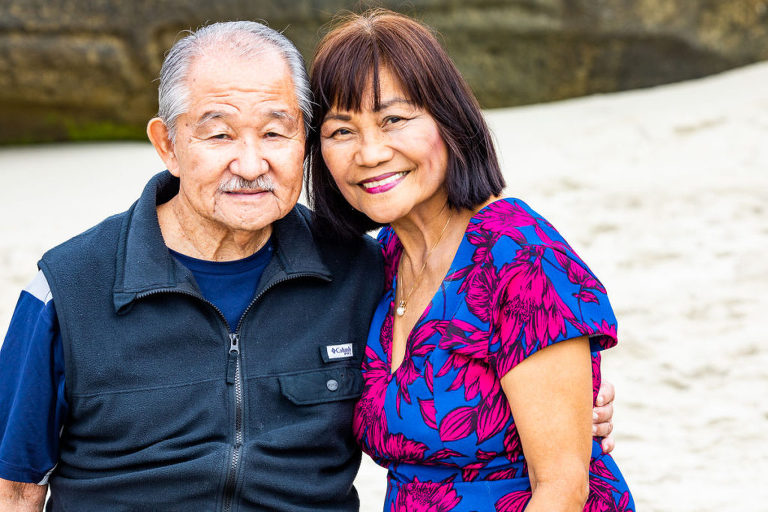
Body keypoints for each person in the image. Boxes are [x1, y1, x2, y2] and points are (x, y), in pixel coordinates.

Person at [0, 18, 616, 512]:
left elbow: (554, 463)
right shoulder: (68, 288)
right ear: (167, 145)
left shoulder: (359, 270)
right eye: (218, 136)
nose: (250, 163)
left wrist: (571, 408)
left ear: (302, 142)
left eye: (276, 132)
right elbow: (14, 487)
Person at [307, 9, 633, 512]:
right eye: (341, 131)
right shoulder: (381, 265)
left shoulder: (518, 255)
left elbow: (564, 491)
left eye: (393, 119)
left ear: (448, 118)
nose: (369, 153)